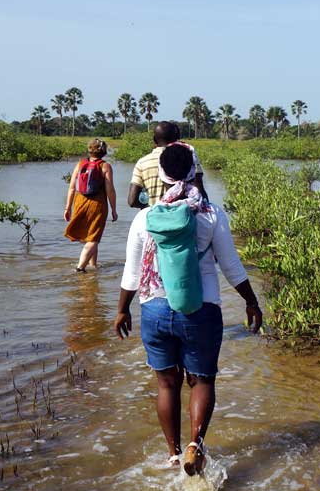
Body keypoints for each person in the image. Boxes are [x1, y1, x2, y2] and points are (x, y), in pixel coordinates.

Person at [114, 143, 262, 476]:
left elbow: (132, 272)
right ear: (195, 171)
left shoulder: (145, 217)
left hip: (154, 309)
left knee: (167, 385)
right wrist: (251, 302)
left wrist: (122, 310)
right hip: (201, 310)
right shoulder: (210, 214)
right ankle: (195, 444)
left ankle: (173, 454)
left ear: (161, 175)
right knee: (202, 380)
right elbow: (231, 266)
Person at [64, 138, 118, 272]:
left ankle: (93, 265)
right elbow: (110, 190)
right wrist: (114, 209)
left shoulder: (80, 164)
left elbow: (71, 188)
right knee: (94, 238)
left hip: (79, 201)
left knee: (92, 234)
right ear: (104, 151)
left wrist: (68, 208)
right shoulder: (105, 166)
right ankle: (80, 268)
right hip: (97, 204)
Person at [128, 121, 208, 208]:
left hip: (152, 217)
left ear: (155, 140)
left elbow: (132, 201)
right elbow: (200, 190)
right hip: (183, 214)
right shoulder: (188, 156)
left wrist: (152, 208)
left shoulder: (142, 163)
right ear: (177, 138)